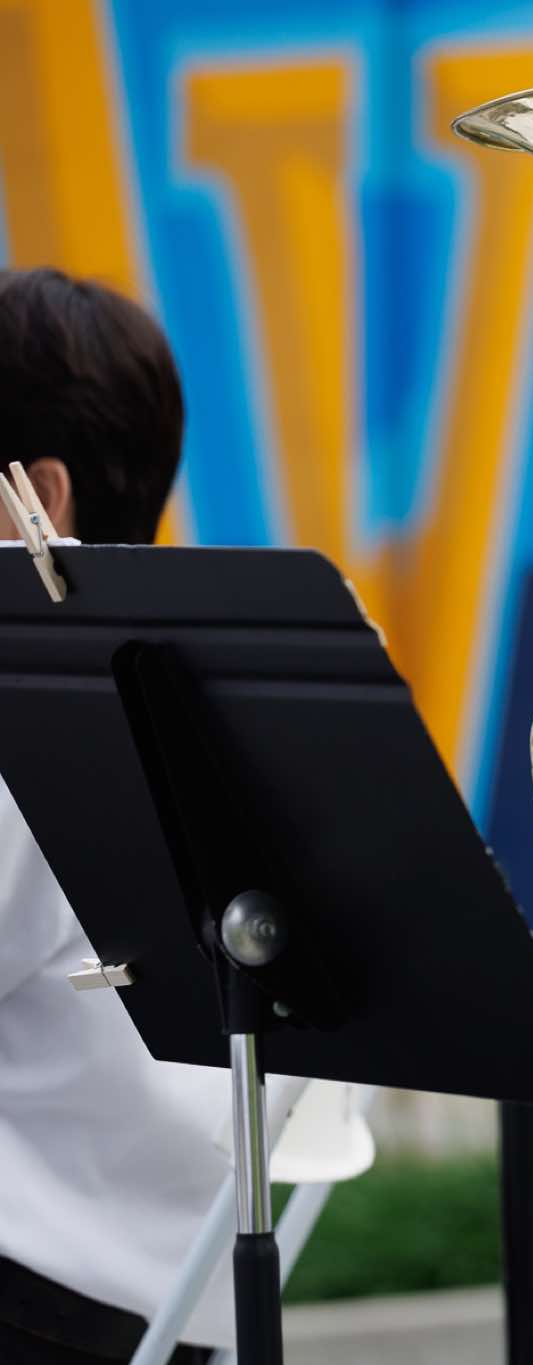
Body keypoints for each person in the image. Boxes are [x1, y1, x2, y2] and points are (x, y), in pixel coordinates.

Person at [0, 267, 232, 1363]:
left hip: (36, 1294)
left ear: (38, 498)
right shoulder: (209, 695)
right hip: (175, 1306)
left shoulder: (29, 696)